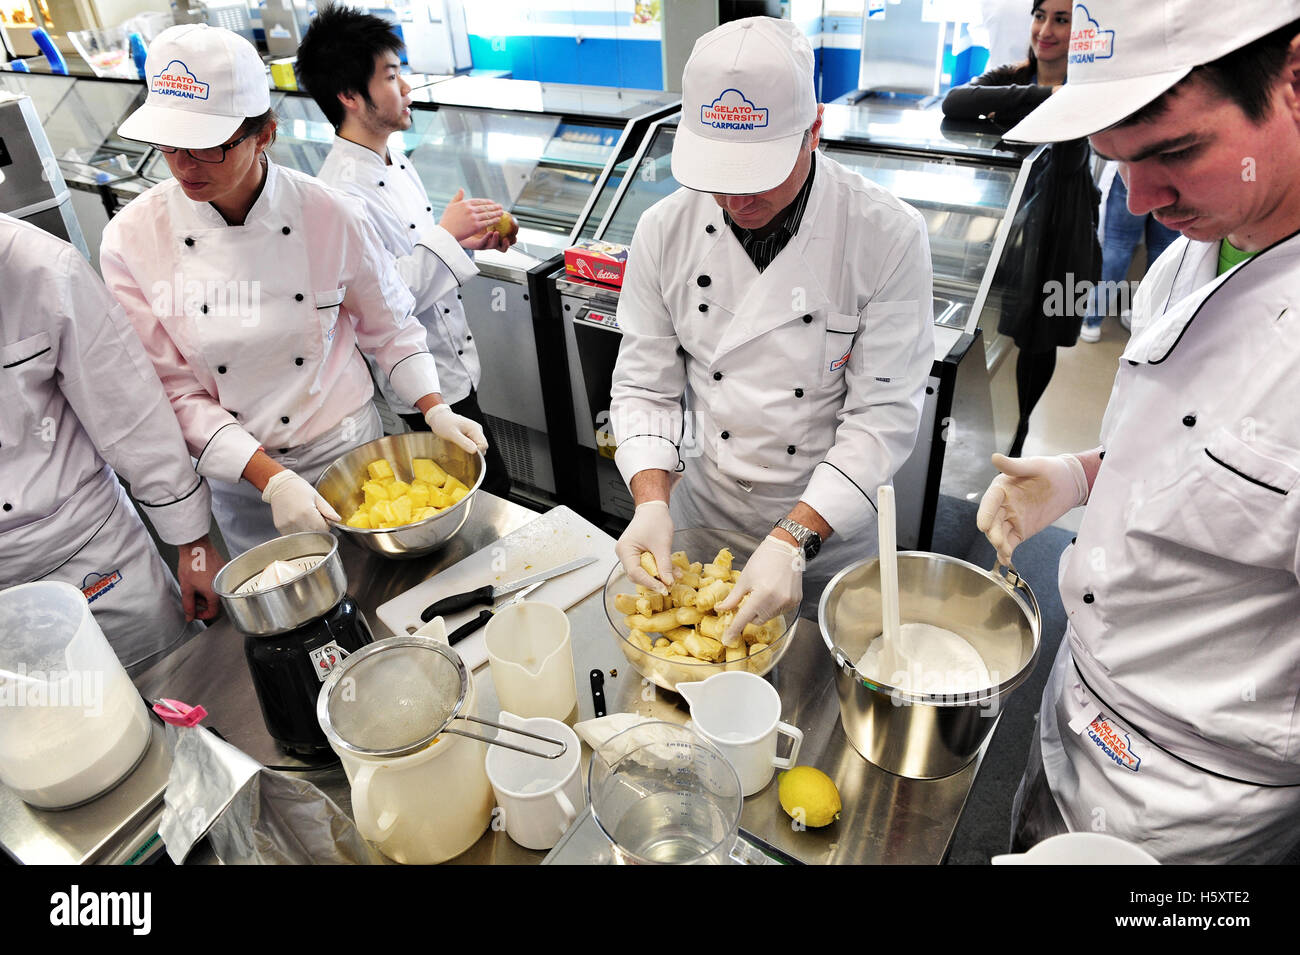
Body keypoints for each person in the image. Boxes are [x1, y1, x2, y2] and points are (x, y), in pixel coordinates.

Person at [977, 0, 1300, 863]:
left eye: (1173, 150)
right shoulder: (1196, 248)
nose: (1142, 201)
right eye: (1112, 159)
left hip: (1201, 801)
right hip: (1077, 707)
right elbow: (1206, 448)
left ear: (1296, 80)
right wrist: (1085, 475)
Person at [99, 24, 487, 558]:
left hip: (351, 459)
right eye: (169, 144)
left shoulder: (329, 212)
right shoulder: (132, 239)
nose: (184, 164)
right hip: (243, 479)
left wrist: (434, 405)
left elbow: (390, 326)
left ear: (263, 133)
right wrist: (271, 479)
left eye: (208, 146)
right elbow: (173, 390)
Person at [608, 17, 934, 643]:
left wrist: (794, 538)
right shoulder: (662, 228)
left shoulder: (886, 234)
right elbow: (646, 387)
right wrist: (651, 499)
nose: (736, 199)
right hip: (703, 512)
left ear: (814, 128)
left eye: (758, 173)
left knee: (814, 688)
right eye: (717, 173)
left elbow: (882, 418)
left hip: (827, 525)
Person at [295, 6, 515, 498]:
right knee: (480, 496)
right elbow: (382, 301)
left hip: (453, 366)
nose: (408, 88)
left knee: (485, 488)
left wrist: (464, 240)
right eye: (392, 77)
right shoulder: (341, 195)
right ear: (350, 96)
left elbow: (415, 257)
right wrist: (445, 237)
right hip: (418, 386)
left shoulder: (395, 158)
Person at [0, 212, 224, 675]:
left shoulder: (43, 268)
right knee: (48, 732)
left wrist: (193, 546)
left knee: (176, 689)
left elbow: (133, 417)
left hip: (87, 554)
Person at [1078, 164, 1179, 342]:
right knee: (1164, 249)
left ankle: (1092, 321)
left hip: (1136, 167)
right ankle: (1145, 321)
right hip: (1175, 173)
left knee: (1118, 244)